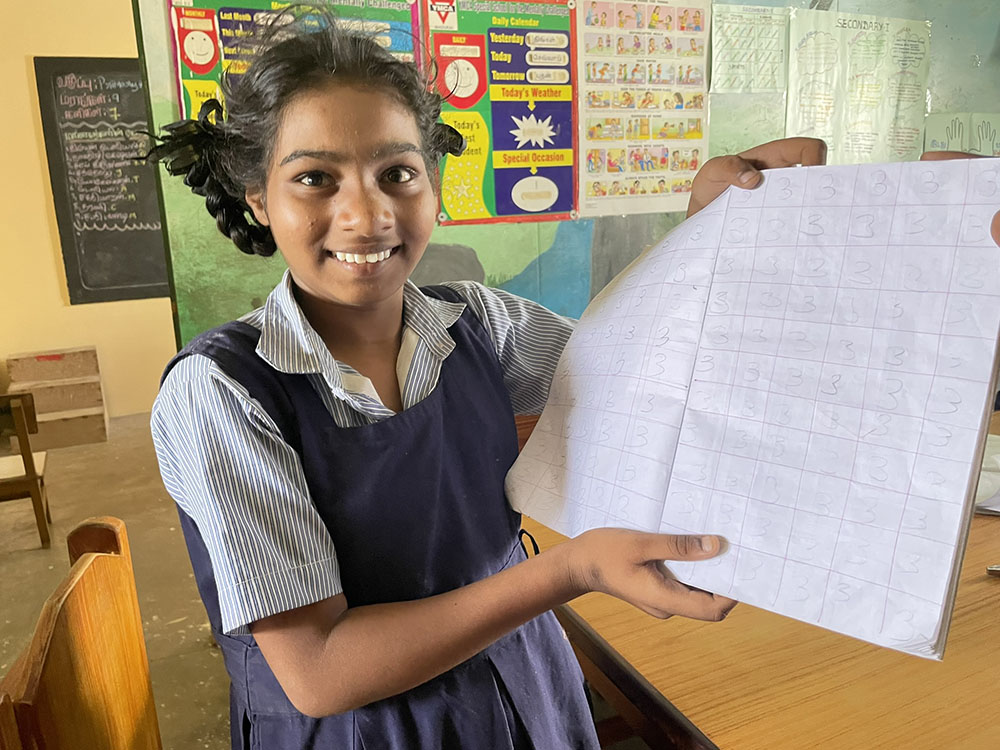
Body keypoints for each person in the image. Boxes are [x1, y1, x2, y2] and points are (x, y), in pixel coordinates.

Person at [148, 6, 777, 750]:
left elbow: (659, 375)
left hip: (523, 691)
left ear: (433, 184)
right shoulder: (222, 394)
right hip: (365, 732)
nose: (366, 213)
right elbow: (319, 670)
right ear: (260, 198)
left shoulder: (480, 324)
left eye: (398, 173)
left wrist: (710, 228)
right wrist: (570, 570)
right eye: (315, 178)